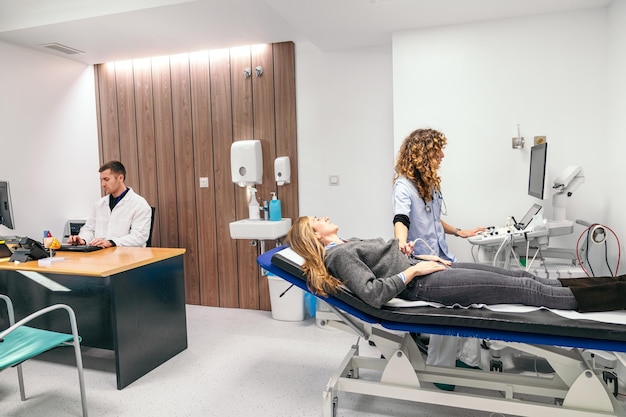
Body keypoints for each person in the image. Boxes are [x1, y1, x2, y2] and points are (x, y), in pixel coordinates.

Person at [288, 216, 626, 315]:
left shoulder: (345, 244)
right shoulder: (338, 256)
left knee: (524, 275)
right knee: (527, 289)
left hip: (428, 270)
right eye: (319, 219)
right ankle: (614, 297)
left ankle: (615, 285)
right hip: (424, 285)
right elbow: (373, 293)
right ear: (316, 237)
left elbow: (388, 260)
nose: (327, 217)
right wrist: (415, 271)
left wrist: (424, 258)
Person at [392, 128, 484, 382]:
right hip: (424, 263)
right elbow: (401, 218)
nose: (442, 155)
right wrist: (401, 243)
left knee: (471, 299)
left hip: (443, 255)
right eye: (437, 150)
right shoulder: (403, 186)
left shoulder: (428, 183)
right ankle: (440, 371)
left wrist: (459, 231)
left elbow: (432, 218)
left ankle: (467, 359)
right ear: (422, 154)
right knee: (450, 306)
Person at [67, 160, 152, 248]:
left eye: (106, 179)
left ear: (120, 178)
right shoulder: (100, 204)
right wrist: (83, 239)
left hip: (128, 256)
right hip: (102, 255)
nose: (103, 184)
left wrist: (112, 242)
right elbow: (89, 229)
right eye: (101, 180)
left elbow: (139, 237)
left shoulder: (139, 204)